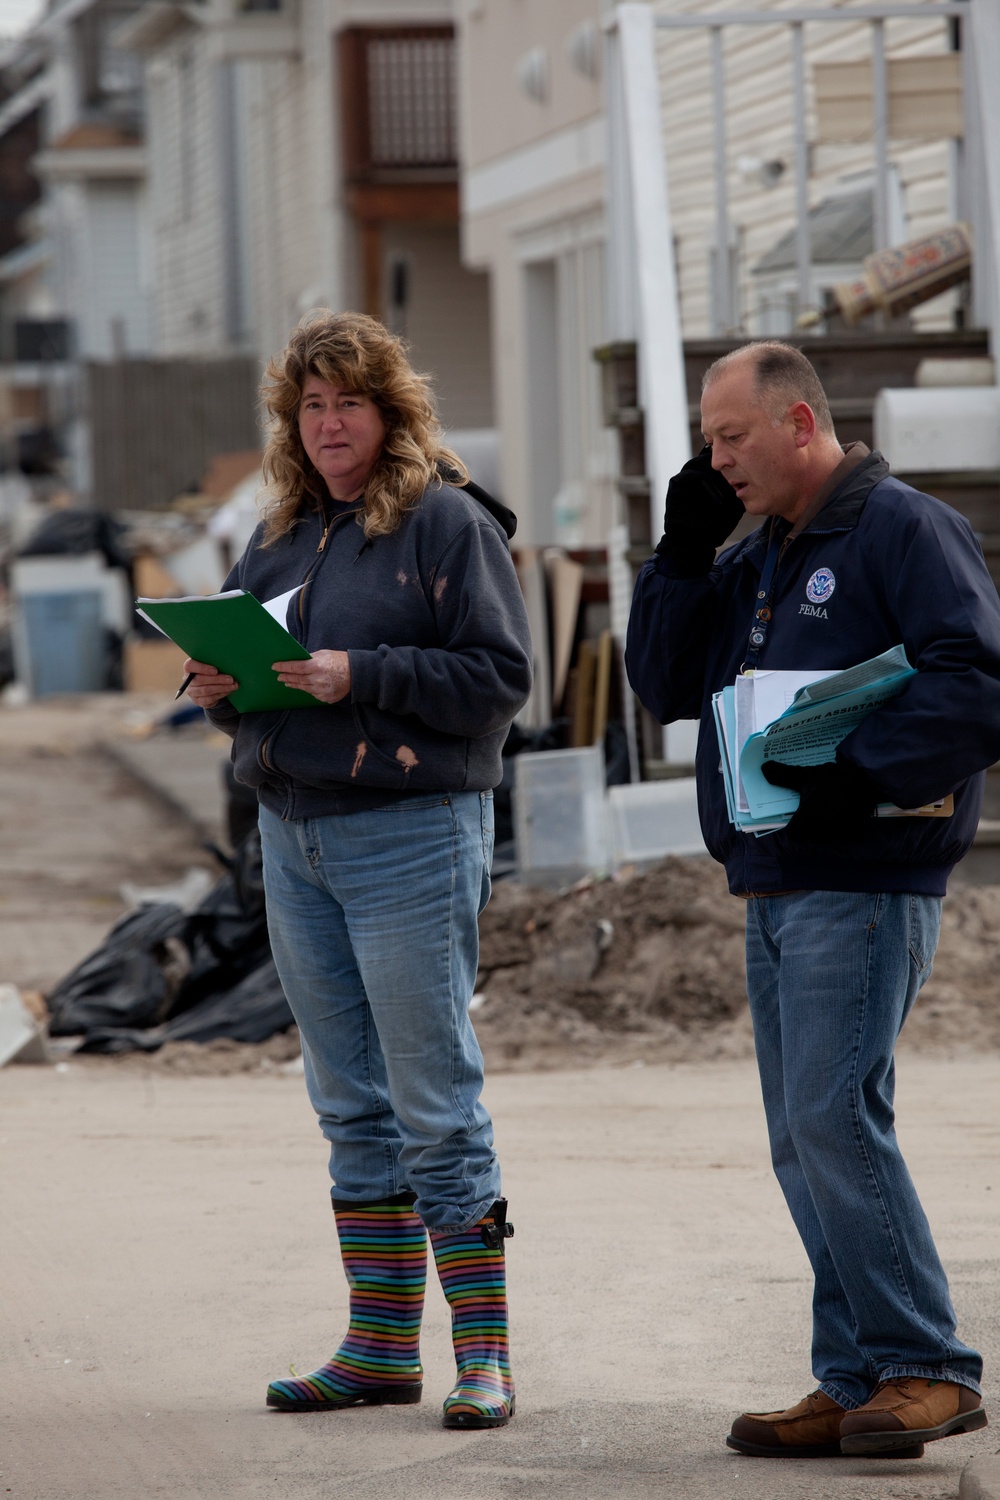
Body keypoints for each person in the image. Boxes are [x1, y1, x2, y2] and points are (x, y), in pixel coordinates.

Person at [626, 340, 999, 1460]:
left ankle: (925, 1365)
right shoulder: (760, 555)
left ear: (798, 425)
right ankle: (852, 1376)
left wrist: (862, 774)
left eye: (731, 437)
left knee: (834, 1117)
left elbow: (977, 679)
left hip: (866, 873)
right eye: (706, 441)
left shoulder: (901, 528)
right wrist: (680, 554)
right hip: (778, 874)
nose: (717, 458)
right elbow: (661, 684)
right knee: (802, 1137)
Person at [185, 311, 532, 1430]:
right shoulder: (283, 533)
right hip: (296, 835)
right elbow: (260, 672)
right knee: (348, 1101)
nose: (329, 423)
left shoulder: (446, 523)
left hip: (412, 833)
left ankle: (484, 1358)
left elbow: (499, 676)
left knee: (434, 1100)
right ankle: (381, 1348)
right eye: (312, 406)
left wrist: (359, 673)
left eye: (349, 402)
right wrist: (223, 693)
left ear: (391, 411)